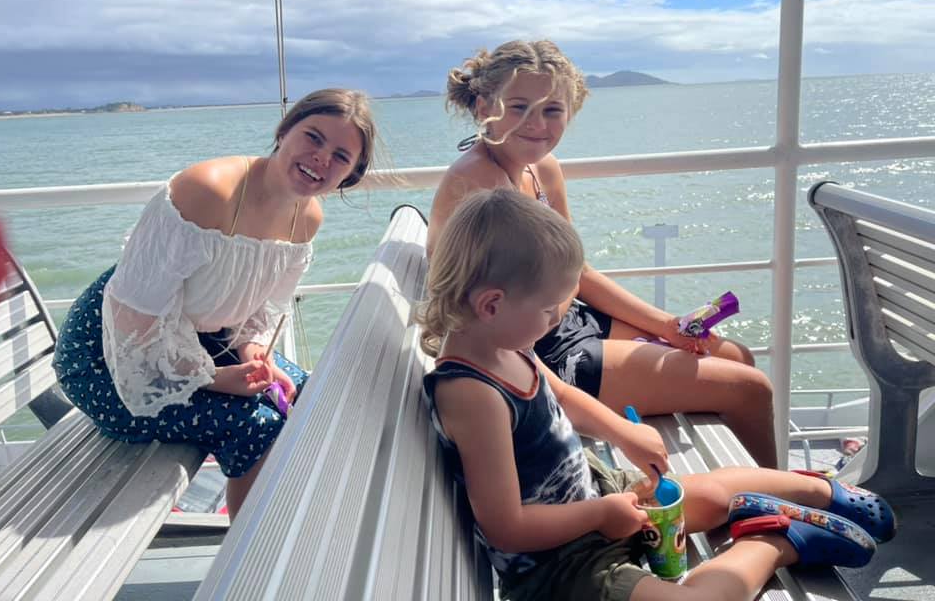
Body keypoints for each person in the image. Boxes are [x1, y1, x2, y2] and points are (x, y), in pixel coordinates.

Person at [420, 188, 895, 601]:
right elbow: (507, 527)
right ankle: (778, 539)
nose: (552, 322)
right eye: (548, 309)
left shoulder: (508, 343)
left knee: (705, 494)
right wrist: (601, 515)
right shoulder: (471, 393)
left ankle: (822, 491)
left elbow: (562, 395)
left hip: (593, 497)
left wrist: (624, 432)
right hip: (561, 563)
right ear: (491, 304)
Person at [427, 40, 777, 467]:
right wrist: (615, 429)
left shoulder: (543, 168)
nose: (537, 124)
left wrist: (667, 326)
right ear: (484, 107)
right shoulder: (478, 185)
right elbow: (483, 328)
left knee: (734, 356)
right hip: (539, 351)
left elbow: (579, 272)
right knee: (751, 389)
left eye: (552, 110)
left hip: (570, 319)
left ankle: (757, 489)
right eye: (519, 107)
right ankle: (778, 501)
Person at [52, 89, 378, 519]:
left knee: (310, 395)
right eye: (313, 137)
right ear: (284, 131)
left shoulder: (308, 217)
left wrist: (254, 352)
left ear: (350, 175)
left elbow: (260, 311)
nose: (321, 158)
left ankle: (293, 521)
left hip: (198, 342)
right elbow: (132, 325)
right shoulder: (205, 192)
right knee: (257, 426)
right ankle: (245, 555)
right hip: (110, 359)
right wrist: (213, 378)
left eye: (340, 156)